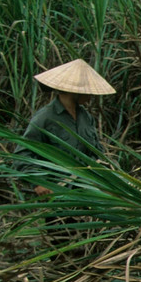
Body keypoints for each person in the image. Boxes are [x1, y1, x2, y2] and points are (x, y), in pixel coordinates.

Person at [16, 59, 116, 198]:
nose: (90, 95)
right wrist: (39, 183)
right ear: (72, 91)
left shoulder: (85, 117)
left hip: (87, 192)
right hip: (58, 194)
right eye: (86, 91)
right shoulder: (44, 118)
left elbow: (96, 153)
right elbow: (23, 154)